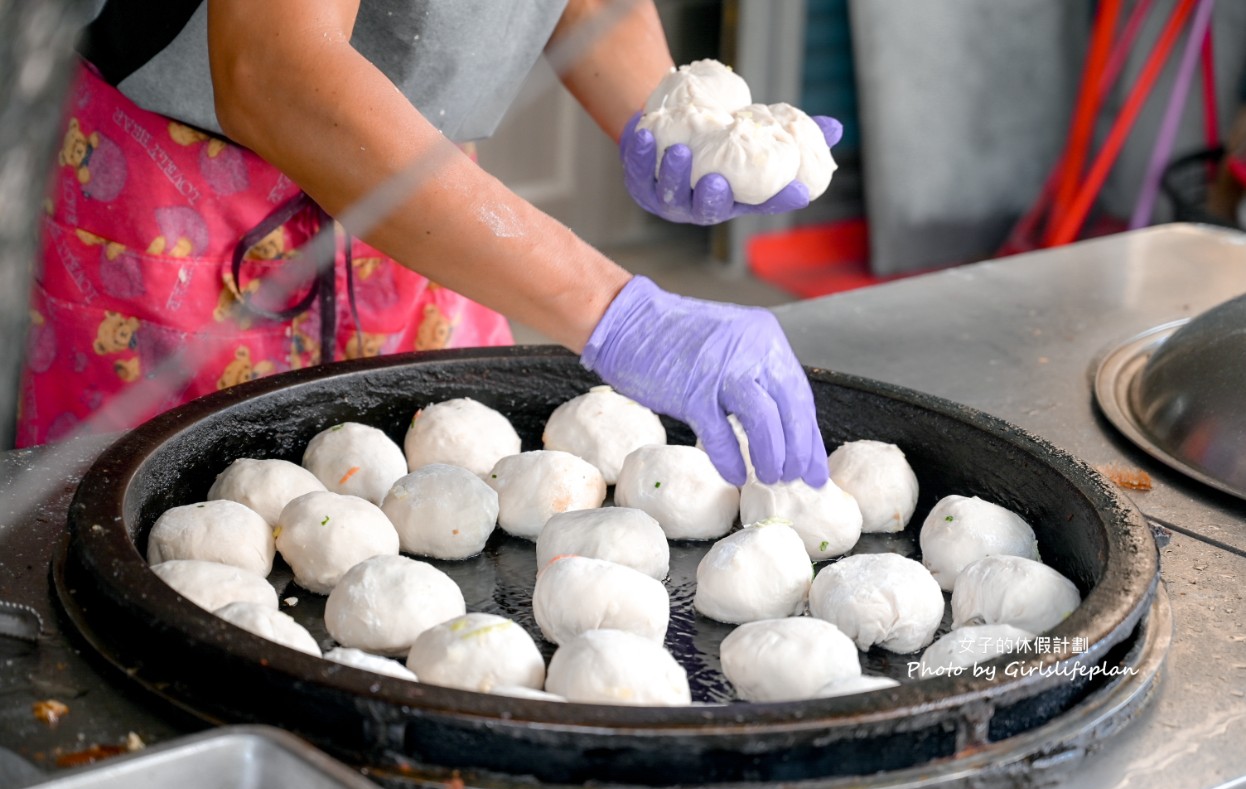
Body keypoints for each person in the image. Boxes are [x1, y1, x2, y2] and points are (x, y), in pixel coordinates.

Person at [19, 0, 840, 488]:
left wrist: (666, 114)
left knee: (450, 508)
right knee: (160, 557)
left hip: (433, 208)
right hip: (181, 208)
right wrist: (613, 311)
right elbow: (276, 70)